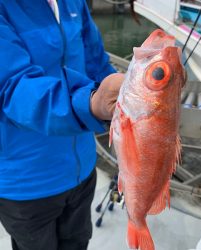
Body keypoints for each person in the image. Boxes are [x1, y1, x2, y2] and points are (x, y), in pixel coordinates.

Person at [0, 1, 124, 250]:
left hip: (82, 169)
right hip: (26, 183)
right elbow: (12, 87)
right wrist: (91, 104)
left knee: (78, 242)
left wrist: (125, 92)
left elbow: (96, 63)